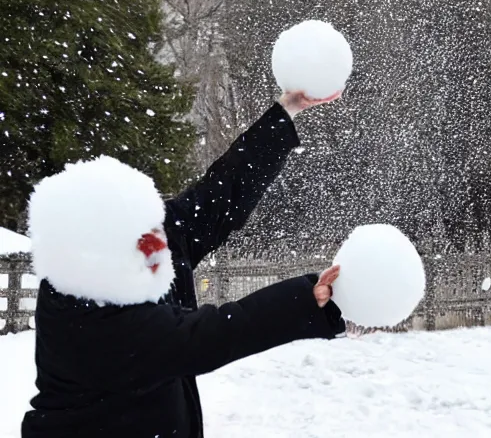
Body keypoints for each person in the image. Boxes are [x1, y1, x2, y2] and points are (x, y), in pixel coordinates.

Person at [21, 91, 346, 438]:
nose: (158, 240)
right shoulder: (87, 315)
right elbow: (212, 336)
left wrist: (285, 112)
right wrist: (304, 299)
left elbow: (217, 198)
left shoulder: (138, 245)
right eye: (142, 232)